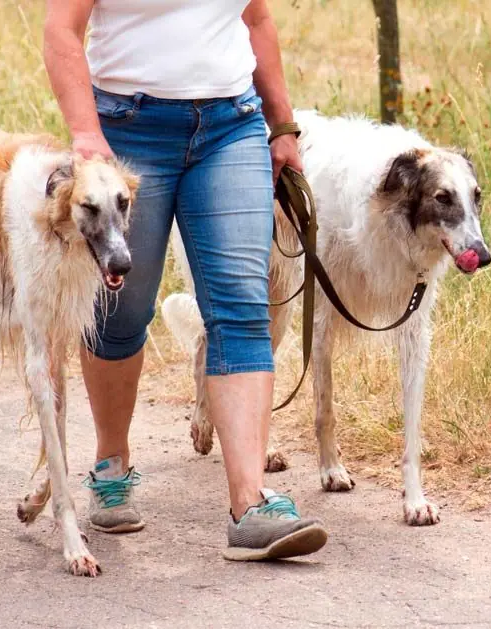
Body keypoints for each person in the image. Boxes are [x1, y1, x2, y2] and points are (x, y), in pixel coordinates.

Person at [43, 0, 328, 561]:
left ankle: (249, 506)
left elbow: (256, 20)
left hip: (231, 127)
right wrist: (85, 131)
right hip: (128, 128)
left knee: (243, 305)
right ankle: (111, 463)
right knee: (121, 310)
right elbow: (62, 28)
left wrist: (282, 125)